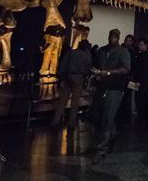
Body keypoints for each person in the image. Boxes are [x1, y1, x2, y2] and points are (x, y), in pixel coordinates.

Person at [90, 29, 131, 163]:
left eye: (115, 37)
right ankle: (110, 136)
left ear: (118, 38)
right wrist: (96, 75)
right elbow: (95, 65)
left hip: (115, 88)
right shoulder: (102, 51)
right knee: (98, 115)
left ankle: (101, 149)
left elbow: (126, 69)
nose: (112, 38)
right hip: (102, 87)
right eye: (111, 36)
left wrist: (107, 73)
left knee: (107, 117)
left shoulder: (122, 52)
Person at [51, 31, 92, 129]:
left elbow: (63, 65)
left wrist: (61, 77)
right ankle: (71, 123)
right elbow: (88, 67)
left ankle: (56, 121)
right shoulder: (87, 55)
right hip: (79, 78)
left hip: (68, 77)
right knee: (75, 102)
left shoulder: (70, 52)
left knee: (62, 101)